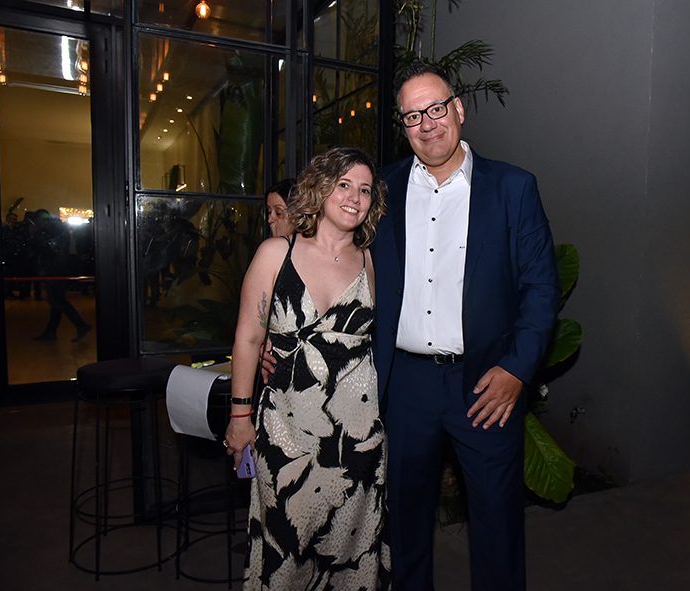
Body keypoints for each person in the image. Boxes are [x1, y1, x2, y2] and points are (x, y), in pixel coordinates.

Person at [372, 62, 560, 590]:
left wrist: (517, 370)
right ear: (404, 127)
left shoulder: (513, 187)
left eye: (435, 108)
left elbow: (541, 289)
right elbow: (339, 263)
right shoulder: (380, 190)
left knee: (497, 526)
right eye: (413, 116)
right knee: (404, 526)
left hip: (485, 383)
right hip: (404, 385)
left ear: (458, 109)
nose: (427, 123)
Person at [225, 146, 391, 590]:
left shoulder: (372, 260)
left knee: (349, 555)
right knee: (285, 553)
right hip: (285, 435)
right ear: (320, 188)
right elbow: (248, 339)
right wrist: (240, 416)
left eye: (365, 190)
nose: (354, 197)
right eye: (344, 185)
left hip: (357, 439)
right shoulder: (275, 253)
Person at [30, 209, 91, 341]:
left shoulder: (51, 231)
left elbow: (50, 249)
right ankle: (52, 330)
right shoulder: (57, 229)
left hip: (56, 270)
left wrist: (36, 235)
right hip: (58, 269)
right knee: (56, 301)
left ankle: (79, 324)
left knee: (57, 300)